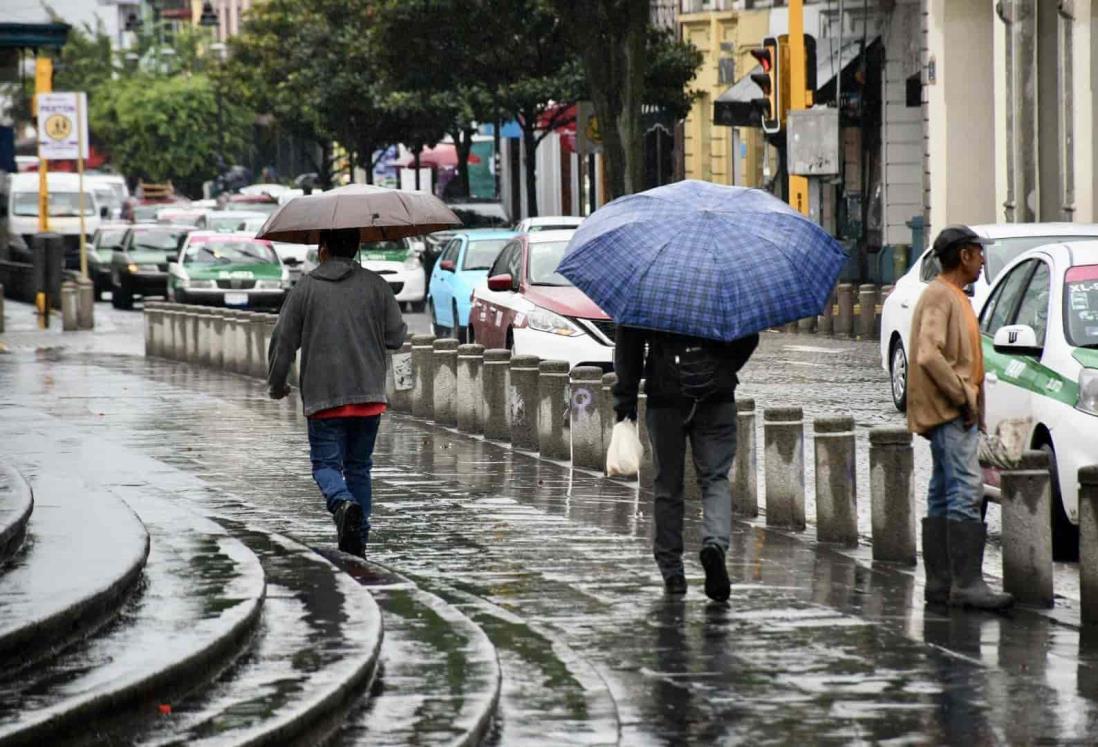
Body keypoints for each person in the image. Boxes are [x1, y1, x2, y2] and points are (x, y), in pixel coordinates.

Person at [267, 227, 407, 557]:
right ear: (357, 248)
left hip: (324, 397)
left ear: (323, 248)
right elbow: (396, 337)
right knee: (359, 466)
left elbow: (283, 341)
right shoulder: (377, 286)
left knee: (326, 466)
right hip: (369, 397)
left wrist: (277, 383)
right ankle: (357, 538)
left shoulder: (305, 289)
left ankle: (342, 502)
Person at [908, 225, 1012, 610]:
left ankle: (941, 582)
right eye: (978, 252)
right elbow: (927, 354)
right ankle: (966, 584)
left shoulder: (954, 296)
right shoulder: (940, 295)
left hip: (953, 413)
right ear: (963, 256)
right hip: (950, 413)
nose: (983, 258)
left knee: (942, 493)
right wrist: (964, 397)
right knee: (966, 492)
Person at [613, 327, 758, 601]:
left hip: (665, 393)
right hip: (717, 395)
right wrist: (721, 367)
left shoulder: (650, 288)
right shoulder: (720, 285)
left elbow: (628, 346)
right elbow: (749, 335)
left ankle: (672, 572)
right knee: (715, 479)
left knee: (668, 484)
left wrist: (625, 401)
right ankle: (715, 544)